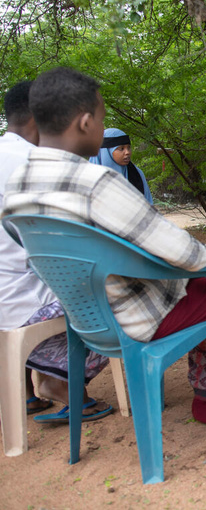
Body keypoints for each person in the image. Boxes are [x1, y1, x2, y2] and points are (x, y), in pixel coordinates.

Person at [3, 67, 206, 426]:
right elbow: (188, 256)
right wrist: (204, 260)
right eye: (102, 119)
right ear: (85, 121)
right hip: (137, 313)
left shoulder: (16, 186)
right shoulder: (97, 182)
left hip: (83, 316)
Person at [0, 80, 111, 424]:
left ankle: (30, 391)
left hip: (6, 298)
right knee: (124, 291)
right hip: (26, 302)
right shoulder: (40, 164)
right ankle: (60, 380)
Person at [90, 127, 154, 204]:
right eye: (121, 148)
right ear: (106, 151)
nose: (127, 152)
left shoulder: (137, 175)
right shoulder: (88, 178)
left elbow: (148, 206)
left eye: (129, 148)